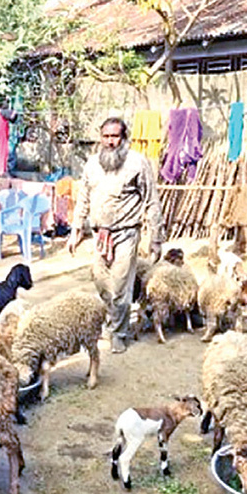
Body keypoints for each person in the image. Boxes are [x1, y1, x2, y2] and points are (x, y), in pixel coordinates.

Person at [68, 117, 162, 354]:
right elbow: (83, 199)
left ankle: (118, 333)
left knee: (120, 286)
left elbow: (151, 201)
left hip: (126, 234)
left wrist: (155, 237)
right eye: (106, 136)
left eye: (115, 136)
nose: (110, 142)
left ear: (123, 137)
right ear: (101, 138)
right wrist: (75, 230)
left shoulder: (137, 163)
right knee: (101, 284)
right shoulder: (91, 165)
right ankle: (111, 321)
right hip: (99, 235)